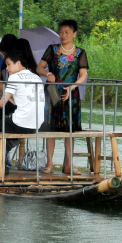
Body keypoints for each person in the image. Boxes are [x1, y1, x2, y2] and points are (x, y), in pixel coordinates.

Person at [37, 19, 89, 175]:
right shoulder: (52, 50)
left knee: (70, 129)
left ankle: (68, 164)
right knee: (50, 126)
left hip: (70, 92)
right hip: (52, 90)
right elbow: (39, 67)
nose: (63, 35)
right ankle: (50, 162)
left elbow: (83, 75)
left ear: (74, 33)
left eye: (67, 32)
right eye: (61, 32)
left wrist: (73, 86)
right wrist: (48, 73)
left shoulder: (80, 52)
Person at [0, 50, 45, 163]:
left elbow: (1, 103)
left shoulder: (15, 78)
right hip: (36, 125)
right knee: (8, 106)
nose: (7, 68)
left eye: (9, 64)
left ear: (18, 63)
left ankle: (0, 164)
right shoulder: (36, 77)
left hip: (22, 124)